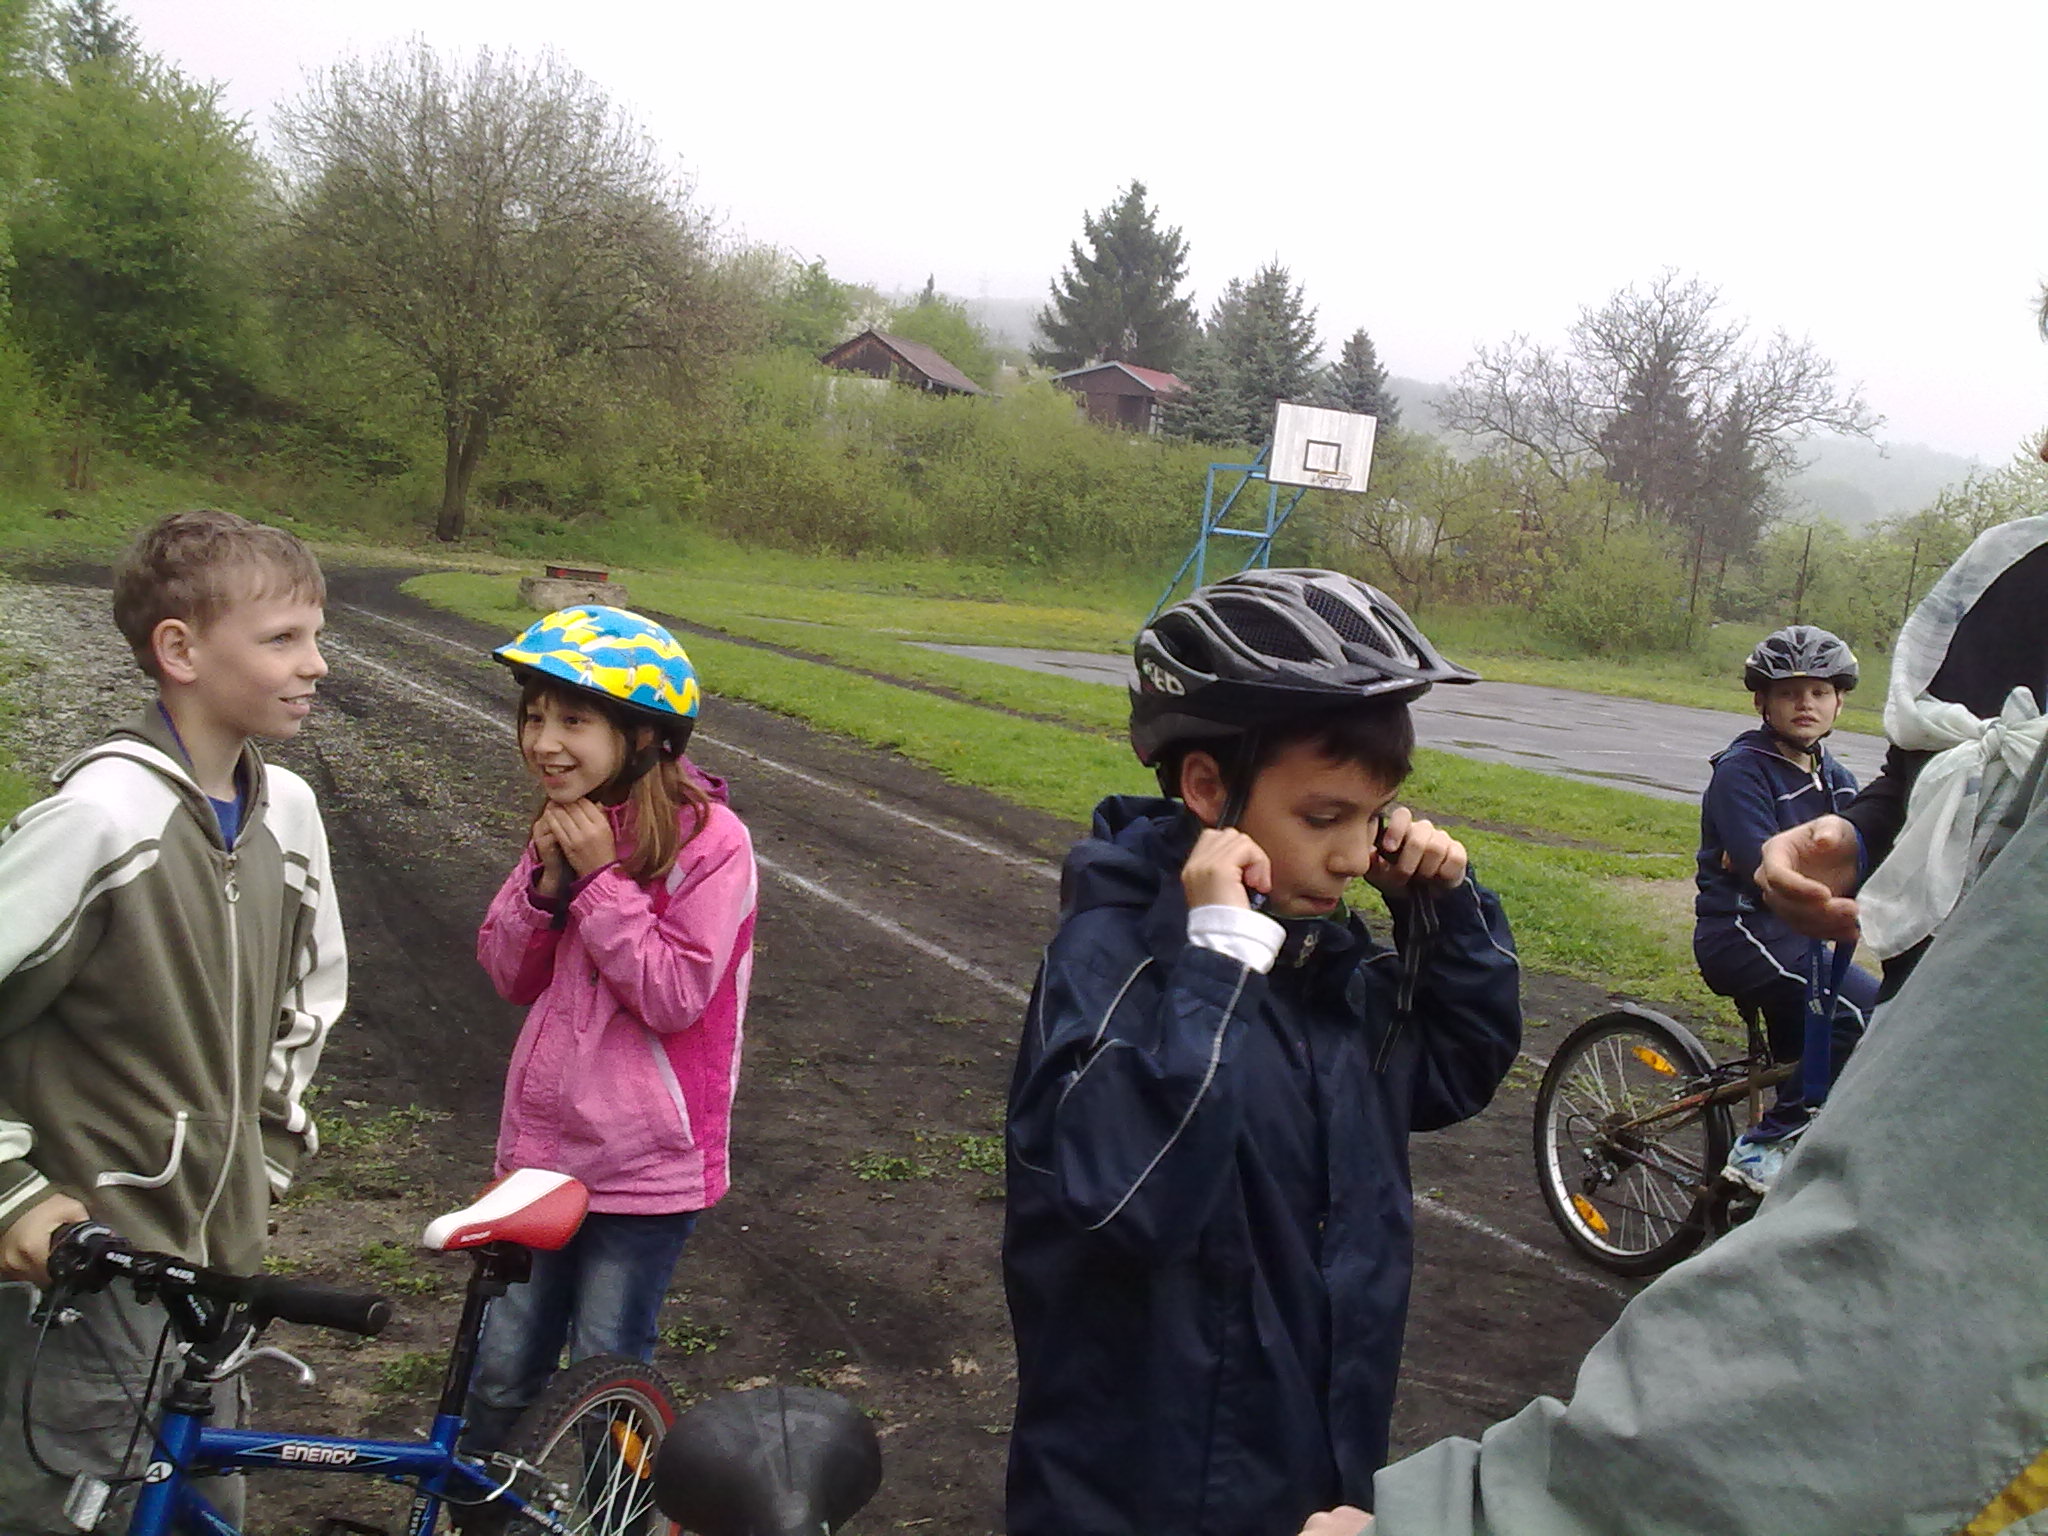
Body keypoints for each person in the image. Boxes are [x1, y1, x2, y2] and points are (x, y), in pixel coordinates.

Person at [1002, 568, 1522, 1536]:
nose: (1352, 855)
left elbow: (1454, 1072)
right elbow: (1131, 1199)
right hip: (1144, 1499)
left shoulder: (1321, 961)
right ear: (1207, 788)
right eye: (1322, 818)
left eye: (1374, 816)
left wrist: (1442, 915)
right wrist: (1219, 959)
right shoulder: (1116, 961)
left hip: (1315, 1469)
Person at [0, 510, 346, 1533]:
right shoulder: (99, 822)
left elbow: (310, 997)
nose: (316, 664)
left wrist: (266, 1155)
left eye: (316, 636)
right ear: (180, 650)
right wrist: (14, 1195)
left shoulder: (290, 814)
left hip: (219, 1273)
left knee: (200, 1504)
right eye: (283, 639)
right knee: (77, 1510)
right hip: (87, 1278)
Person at [465, 605, 757, 1454]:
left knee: (607, 1372)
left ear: (644, 735)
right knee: (502, 1368)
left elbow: (674, 995)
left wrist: (599, 882)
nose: (543, 742)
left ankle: (611, 1511)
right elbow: (509, 975)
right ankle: (483, 1510)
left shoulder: (713, 843)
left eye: (573, 721)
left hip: (642, 1166)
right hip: (540, 1154)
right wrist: (545, 885)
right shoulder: (566, 822)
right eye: (534, 717)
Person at [1755, 515, 2048, 995]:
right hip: (1943, 992)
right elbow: (1926, 768)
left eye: (1819, 693)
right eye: (1789, 694)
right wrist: (1856, 840)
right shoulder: (2009, 567)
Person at [1693, 625, 1878, 1192]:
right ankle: (1763, 1145)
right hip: (1743, 934)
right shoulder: (1742, 770)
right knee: (1860, 1016)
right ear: (1762, 702)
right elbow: (1765, 869)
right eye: (1789, 693)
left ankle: (1789, 1165)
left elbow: (1869, 856)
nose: (1805, 704)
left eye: (1819, 692)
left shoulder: (1838, 778)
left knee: (1828, 1053)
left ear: (1839, 701)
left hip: (1804, 941)